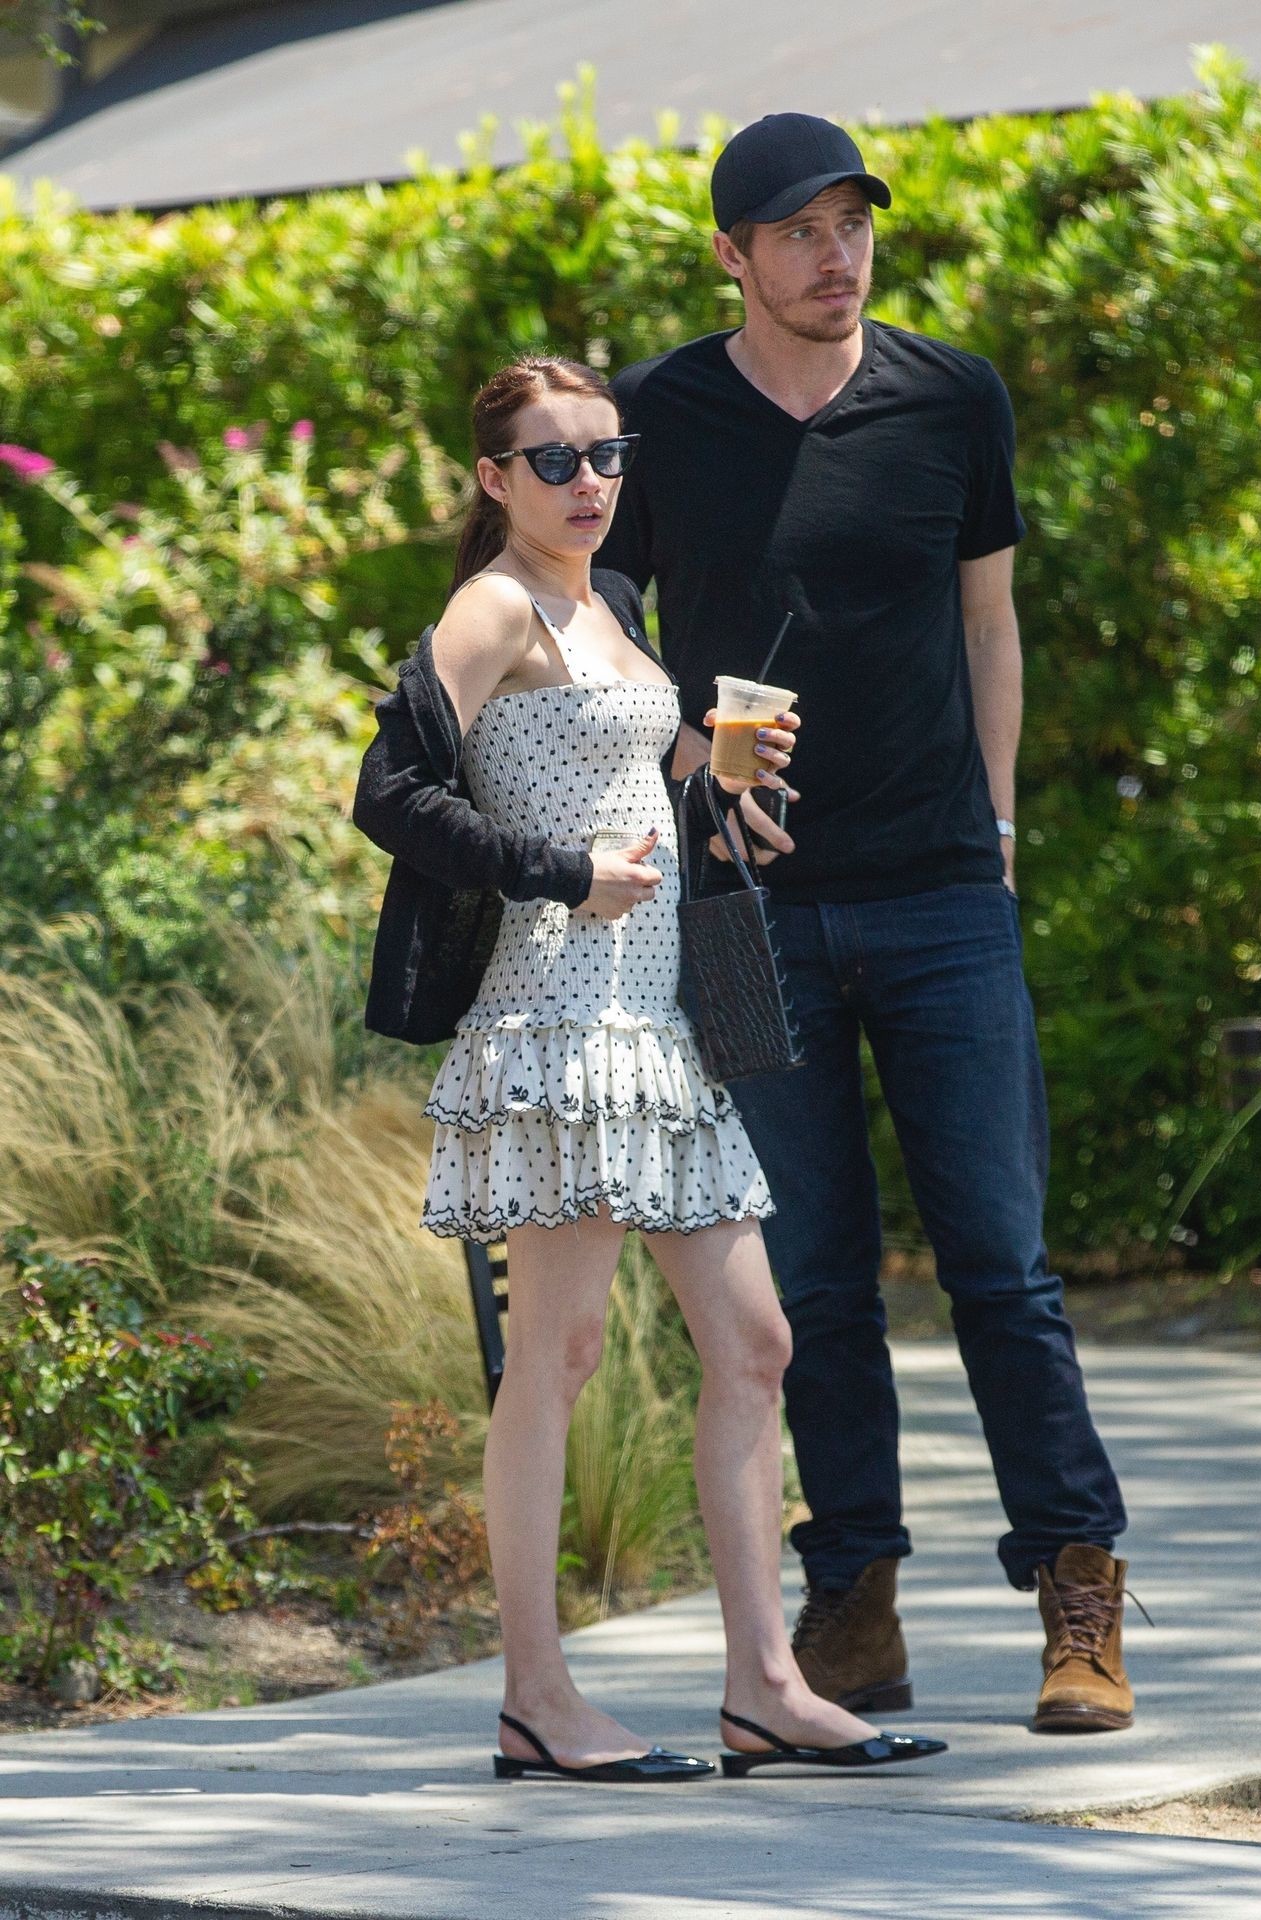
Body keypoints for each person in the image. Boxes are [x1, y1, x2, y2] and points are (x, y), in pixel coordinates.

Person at [597, 114, 1135, 1734]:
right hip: (739, 916)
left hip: (941, 894)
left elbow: (990, 619)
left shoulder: (950, 396)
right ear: (733, 256)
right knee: (811, 1282)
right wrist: (686, 754)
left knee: (1003, 1266)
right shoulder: (654, 418)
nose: (836, 259)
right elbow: (600, 627)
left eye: (852, 225)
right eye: (800, 233)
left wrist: (1001, 832)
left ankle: (1078, 1594)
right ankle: (855, 1603)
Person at [352, 353, 946, 1782]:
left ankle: (765, 1687)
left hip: (662, 1033)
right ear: (494, 477)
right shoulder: (494, 605)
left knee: (755, 1344)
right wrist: (562, 870)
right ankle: (536, 1699)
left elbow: (643, 774)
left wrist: (725, 788)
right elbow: (389, 791)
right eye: (555, 461)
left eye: (608, 455)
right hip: (558, 1025)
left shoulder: (609, 600)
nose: (589, 484)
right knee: (557, 1358)